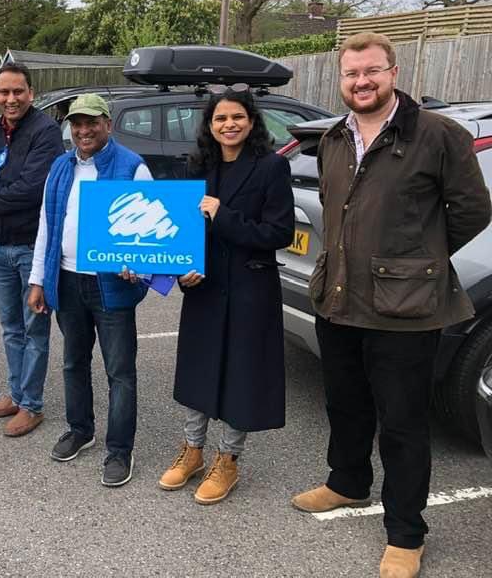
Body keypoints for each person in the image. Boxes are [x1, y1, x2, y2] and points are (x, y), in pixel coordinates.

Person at [291, 32, 491, 578]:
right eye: (352, 74)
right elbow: (337, 212)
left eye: (372, 71)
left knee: (402, 423)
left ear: (394, 72)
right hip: (338, 300)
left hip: (406, 309)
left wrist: (416, 258)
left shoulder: (437, 135)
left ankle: (406, 532)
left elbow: (473, 210)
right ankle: (347, 483)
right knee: (345, 405)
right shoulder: (333, 138)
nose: (362, 82)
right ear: (341, 79)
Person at [160, 87, 294, 504]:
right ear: (210, 126)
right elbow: (182, 230)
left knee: (240, 374)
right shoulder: (199, 166)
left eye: (237, 117)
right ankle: (193, 450)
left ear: (251, 122)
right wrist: (181, 273)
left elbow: (279, 233)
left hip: (250, 287)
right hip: (205, 285)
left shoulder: (271, 168)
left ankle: (228, 459)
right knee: (198, 368)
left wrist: (224, 215)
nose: (229, 125)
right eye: (220, 119)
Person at [27, 93, 150, 487]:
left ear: (107, 125)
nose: (83, 130)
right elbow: (47, 226)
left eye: (91, 122)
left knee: (120, 372)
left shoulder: (133, 167)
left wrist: (142, 268)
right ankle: (80, 429)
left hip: (110, 283)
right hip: (66, 278)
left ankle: (119, 451)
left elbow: (146, 232)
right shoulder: (60, 167)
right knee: (73, 363)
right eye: (76, 123)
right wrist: (38, 280)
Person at [0, 63, 63, 437]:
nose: (10, 99)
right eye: (4, 92)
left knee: (35, 329)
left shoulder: (46, 131)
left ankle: (32, 406)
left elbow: (30, 189)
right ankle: (17, 393)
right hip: (3, 246)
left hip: (32, 248)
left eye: (18, 92)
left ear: (31, 93)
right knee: (10, 328)